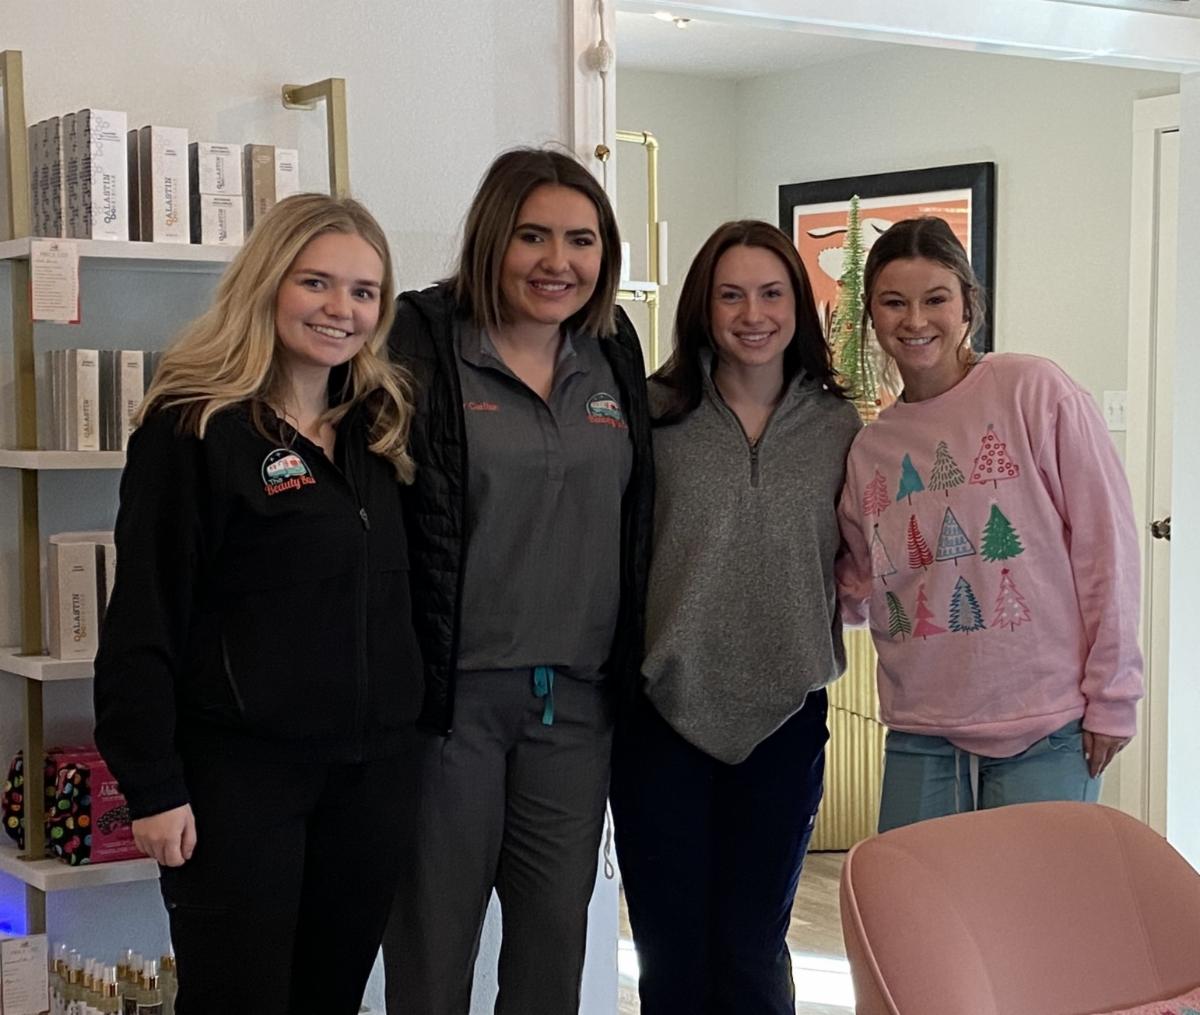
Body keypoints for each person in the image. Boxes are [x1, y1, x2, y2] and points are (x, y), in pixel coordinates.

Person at [93, 194, 423, 1014]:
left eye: (364, 291)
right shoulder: (194, 426)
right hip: (241, 781)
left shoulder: (381, 428)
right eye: (316, 282)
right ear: (268, 281)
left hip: (369, 780)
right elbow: (142, 617)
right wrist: (153, 783)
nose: (341, 308)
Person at [382, 147, 654, 1015]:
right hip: (450, 709)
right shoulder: (425, 341)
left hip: (574, 707)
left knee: (552, 959)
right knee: (432, 957)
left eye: (581, 240)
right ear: (492, 238)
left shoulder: (612, 351)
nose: (557, 261)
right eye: (533, 236)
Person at [609, 220, 861, 1015]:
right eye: (731, 295)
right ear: (703, 307)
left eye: (771, 293)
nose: (753, 314)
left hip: (786, 719)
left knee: (753, 951)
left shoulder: (839, 426)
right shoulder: (652, 416)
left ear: (797, 305)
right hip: (662, 718)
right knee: (672, 955)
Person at [837, 216, 1143, 832]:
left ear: (968, 304)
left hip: (1048, 728)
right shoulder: (871, 448)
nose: (915, 320)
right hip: (921, 730)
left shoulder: (1035, 391)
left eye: (935, 299)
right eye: (894, 303)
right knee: (918, 896)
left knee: (1030, 897)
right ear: (872, 314)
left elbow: (1106, 549)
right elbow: (855, 583)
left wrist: (1114, 696)